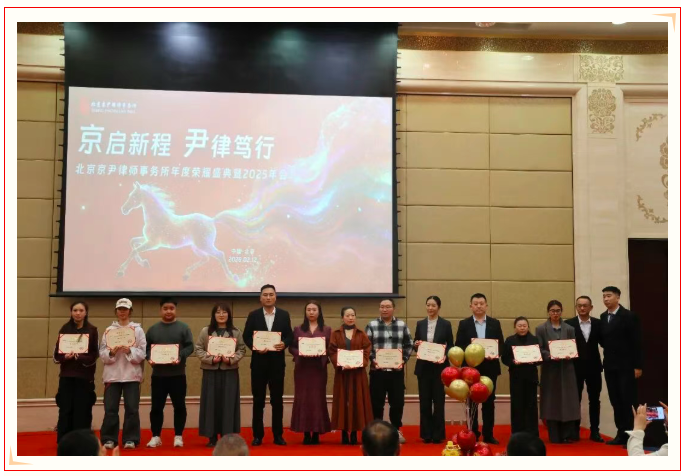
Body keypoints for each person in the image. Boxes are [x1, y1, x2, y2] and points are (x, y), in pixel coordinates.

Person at [243, 284, 294, 446]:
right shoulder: (253, 315)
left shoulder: (284, 315)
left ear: (275, 297)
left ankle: (278, 435)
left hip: (277, 365)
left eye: (271, 294)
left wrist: (284, 344)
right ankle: (257, 435)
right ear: (260, 298)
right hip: (258, 364)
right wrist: (255, 347)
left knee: (277, 400)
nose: (268, 297)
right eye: (265, 295)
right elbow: (246, 336)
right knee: (258, 400)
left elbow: (289, 335)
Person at [455, 293, 504, 444]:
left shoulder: (495, 323)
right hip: (471, 370)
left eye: (481, 303)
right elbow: (459, 346)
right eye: (475, 303)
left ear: (486, 305)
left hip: (490, 368)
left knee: (489, 402)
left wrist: (494, 353)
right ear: (471, 306)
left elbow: (501, 345)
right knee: (471, 403)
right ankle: (473, 433)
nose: (479, 306)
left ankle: (488, 434)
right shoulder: (464, 324)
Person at [145, 298, 194, 448]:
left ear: (175, 310)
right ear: (160, 310)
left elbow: (190, 346)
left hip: (177, 375)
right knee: (156, 408)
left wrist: (180, 356)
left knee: (179, 406)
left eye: (171, 308)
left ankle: (178, 436)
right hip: (158, 376)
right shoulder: (153, 329)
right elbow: (146, 348)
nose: (168, 311)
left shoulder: (183, 328)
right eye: (165, 308)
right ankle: (155, 436)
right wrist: (150, 358)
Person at [195, 303, 246, 447]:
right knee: (211, 404)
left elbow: (242, 350)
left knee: (228, 404)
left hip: (229, 372)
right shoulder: (206, 331)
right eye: (218, 312)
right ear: (214, 315)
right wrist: (211, 359)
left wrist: (230, 359)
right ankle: (211, 437)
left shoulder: (236, 332)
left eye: (224, 312)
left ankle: (227, 436)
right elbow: (198, 349)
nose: (221, 315)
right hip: (210, 372)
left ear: (229, 315)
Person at [99, 298, 147, 450]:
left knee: (132, 409)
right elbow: (102, 353)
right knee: (110, 409)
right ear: (116, 311)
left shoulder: (138, 330)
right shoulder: (109, 330)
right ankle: (109, 438)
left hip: (131, 375)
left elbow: (142, 353)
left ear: (130, 311)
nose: (122, 312)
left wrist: (129, 350)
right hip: (112, 376)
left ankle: (131, 439)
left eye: (125, 309)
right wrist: (111, 353)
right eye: (120, 309)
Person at [599, 286, 643, 446]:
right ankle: (621, 434)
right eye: (604, 296)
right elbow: (603, 341)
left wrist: (638, 366)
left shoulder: (629, 316)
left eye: (609, 296)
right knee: (615, 400)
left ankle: (633, 436)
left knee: (628, 400)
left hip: (627, 366)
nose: (606, 299)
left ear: (617, 297)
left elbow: (637, 342)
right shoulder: (603, 316)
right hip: (610, 366)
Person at [365, 299, 413, 444]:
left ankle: (396, 430)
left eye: (387, 307)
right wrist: (373, 359)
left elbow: (409, 344)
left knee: (397, 403)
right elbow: (367, 346)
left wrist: (403, 360)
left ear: (394, 308)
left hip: (396, 372)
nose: (384, 309)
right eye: (382, 307)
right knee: (376, 403)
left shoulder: (402, 325)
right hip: (377, 371)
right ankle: (376, 431)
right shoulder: (372, 325)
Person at [53, 301, 99, 443]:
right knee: (65, 409)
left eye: (81, 310)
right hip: (66, 377)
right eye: (75, 310)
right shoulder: (64, 329)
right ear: (71, 312)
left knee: (82, 410)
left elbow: (94, 355)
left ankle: (82, 441)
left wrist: (80, 357)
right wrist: (65, 357)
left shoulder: (92, 330)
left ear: (86, 312)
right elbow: (56, 355)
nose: (78, 313)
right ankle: (64, 440)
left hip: (84, 378)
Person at [536, 300, 580, 444]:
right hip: (550, 370)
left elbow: (573, 346)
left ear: (562, 311)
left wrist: (570, 353)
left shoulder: (569, 328)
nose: (555, 313)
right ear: (548, 312)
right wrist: (550, 355)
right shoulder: (541, 329)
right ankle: (554, 435)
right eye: (553, 311)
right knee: (551, 401)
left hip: (567, 369)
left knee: (568, 401)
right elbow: (539, 348)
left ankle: (566, 434)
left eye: (558, 310)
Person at [329, 306, 374, 445]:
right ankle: (343, 432)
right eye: (347, 315)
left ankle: (354, 432)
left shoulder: (361, 333)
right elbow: (332, 351)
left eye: (353, 315)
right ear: (342, 317)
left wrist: (360, 363)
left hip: (357, 373)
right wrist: (340, 363)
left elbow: (367, 350)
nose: (350, 318)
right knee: (342, 400)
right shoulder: (336, 333)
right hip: (342, 373)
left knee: (357, 400)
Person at [289, 300, 332, 445]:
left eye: (314, 309)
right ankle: (306, 433)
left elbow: (331, 348)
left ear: (319, 312)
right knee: (303, 399)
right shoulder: (298, 329)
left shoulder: (327, 329)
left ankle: (317, 433)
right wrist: (300, 352)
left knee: (317, 399)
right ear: (305, 312)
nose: (311, 312)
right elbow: (291, 347)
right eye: (309, 310)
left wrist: (322, 352)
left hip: (318, 369)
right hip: (303, 369)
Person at [413, 295, 454, 444]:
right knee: (424, 402)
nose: (430, 308)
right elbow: (415, 343)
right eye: (428, 305)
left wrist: (443, 354)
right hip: (423, 368)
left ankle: (437, 434)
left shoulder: (446, 324)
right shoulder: (420, 324)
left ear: (439, 307)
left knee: (438, 402)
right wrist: (416, 344)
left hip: (439, 368)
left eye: (433, 305)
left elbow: (451, 345)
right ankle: (426, 434)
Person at [565, 296, 604, 443]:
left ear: (591, 307)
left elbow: (605, 342)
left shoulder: (598, 323)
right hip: (575, 368)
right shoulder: (568, 324)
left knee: (595, 400)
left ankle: (595, 431)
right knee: (575, 400)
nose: (582, 308)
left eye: (585, 305)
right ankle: (574, 431)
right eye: (579, 305)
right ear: (576, 307)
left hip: (594, 367)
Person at [501, 317, 541, 436]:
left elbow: (540, 359)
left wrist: (534, 360)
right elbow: (504, 358)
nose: (522, 328)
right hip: (516, 377)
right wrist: (513, 362)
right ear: (515, 327)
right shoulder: (510, 340)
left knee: (531, 404)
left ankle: (532, 432)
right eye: (519, 326)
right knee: (517, 404)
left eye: (524, 325)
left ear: (528, 327)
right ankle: (517, 432)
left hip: (531, 377)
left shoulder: (534, 339)